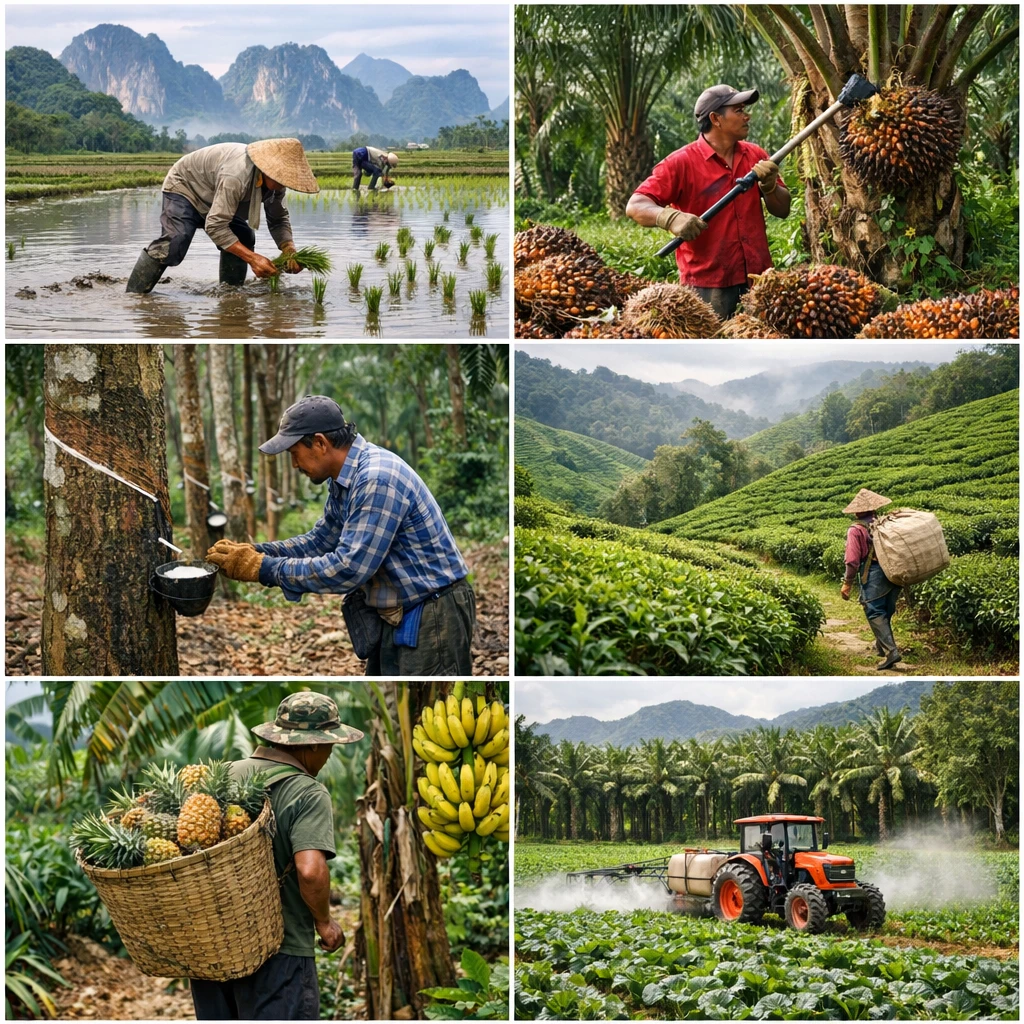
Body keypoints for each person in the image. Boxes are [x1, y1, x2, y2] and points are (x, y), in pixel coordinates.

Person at [205, 395, 476, 675]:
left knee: (427, 710)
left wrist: (265, 569)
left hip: (433, 614)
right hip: (402, 611)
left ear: (320, 443)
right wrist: (257, 552)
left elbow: (348, 567)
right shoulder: (346, 479)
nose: (295, 465)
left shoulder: (375, 478)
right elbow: (321, 540)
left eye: (294, 453)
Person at [190, 691, 364, 1021]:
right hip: (279, 953)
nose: (328, 755)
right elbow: (310, 871)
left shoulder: (220, 776)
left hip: (212, 949)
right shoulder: (306, 791)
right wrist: (325, 923)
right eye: (329, 745)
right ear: (312, 744)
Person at [625, 84, 791, 320]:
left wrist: (770, 186)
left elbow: (782, 210)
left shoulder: (755, 155)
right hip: (708, 285)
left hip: (759, 278)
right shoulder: (681, 163)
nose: (747, 115)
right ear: (716, 118)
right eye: (739, 110)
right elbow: (636, 205)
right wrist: (670, 218)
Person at [126, 138, 318, 294]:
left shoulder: (276, 187)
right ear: (268, 170)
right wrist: (252, 258)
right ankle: (134, 296)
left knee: (244, 236)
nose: (285, 183)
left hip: (215, 197)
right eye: (283, 178)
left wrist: (289, 250)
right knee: (175, 243)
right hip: (186, 187)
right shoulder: (237, 175)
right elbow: (215, 226)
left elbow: (278, 220)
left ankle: (230, 294)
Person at [840, 488, 902, 670]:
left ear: (857, 510)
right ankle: (880, 646)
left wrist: (847, 583)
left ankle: (892, 652)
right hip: (893, 571)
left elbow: (852, 560)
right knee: (886, 610)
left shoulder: (856, 529)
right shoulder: (884, 523)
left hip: (874, 573)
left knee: (874, 611)